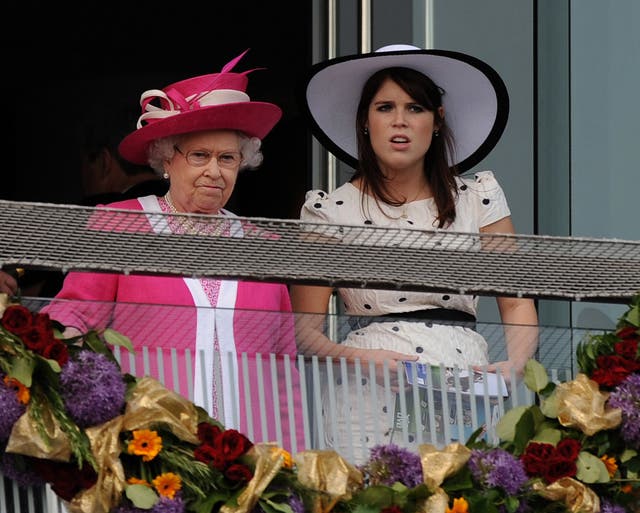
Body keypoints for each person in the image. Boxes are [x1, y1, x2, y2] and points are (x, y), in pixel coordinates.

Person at [41, 49, 305, 452]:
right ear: (167, 158)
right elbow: (74, 316)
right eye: (199, 156)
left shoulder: (261, 245)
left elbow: (284, 368)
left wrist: (293, 458)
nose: (214, 171)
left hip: (249, 454)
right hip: (150, 450)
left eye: (228, 158)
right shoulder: (120, 224)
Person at [291, 44, 539, 458]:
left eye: (415, 108)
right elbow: (304, 332)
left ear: (437, 120)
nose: (400, 121)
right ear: (365, 121)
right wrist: (357, 358)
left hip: (465, 394)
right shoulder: (328, 211)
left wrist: (512, 367)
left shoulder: (479, 198)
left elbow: (516, 304)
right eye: (385, 107)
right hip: (369, 397)